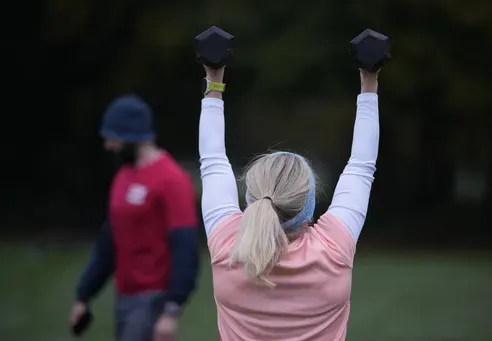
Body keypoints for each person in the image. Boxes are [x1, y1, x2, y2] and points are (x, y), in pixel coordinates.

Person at [198, 65, 380, 340]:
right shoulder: (334, 249)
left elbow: (212, 160)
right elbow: (361, 166)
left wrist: (214, 80)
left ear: (250, 200)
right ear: (308, 206)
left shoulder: (228, 246)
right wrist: (370, 80)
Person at [68, 94, 200, 341]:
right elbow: (110, 241)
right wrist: (84, 295)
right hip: (124, 298)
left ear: (131, 136)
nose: (108, 145)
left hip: (153, 300)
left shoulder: (172, 180)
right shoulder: (123, 177)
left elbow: (185, 248)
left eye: (112, 138)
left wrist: (172, 309)